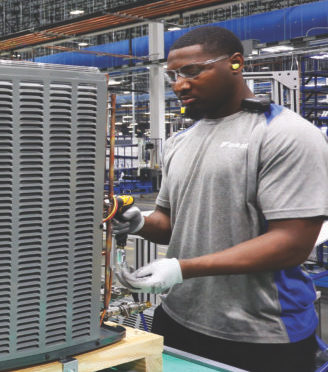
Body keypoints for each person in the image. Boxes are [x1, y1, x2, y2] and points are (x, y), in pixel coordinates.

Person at [114, 26, 328, 372]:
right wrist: (139, 222)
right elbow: (171, 223)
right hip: (177, 318)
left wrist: (183, 268)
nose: (180, 84)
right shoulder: (180, 141)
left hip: (262, 334)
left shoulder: (285, 134)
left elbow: (292, 244)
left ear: (235, 63)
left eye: (193, 71)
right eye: (172, 75)